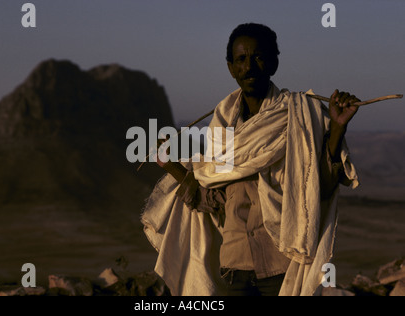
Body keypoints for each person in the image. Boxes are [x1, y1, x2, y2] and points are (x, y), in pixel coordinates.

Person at [141, 23, 359, 296]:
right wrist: (171, 165)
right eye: (241, 59)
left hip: (283, 265)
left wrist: (337, 128)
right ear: (231, 67)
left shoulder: (300, 117)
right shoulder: (222, 126)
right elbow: (213, 199)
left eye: (258, 57)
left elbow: (320, 189)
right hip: (235, 267)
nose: (249, 67)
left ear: (273, 63)